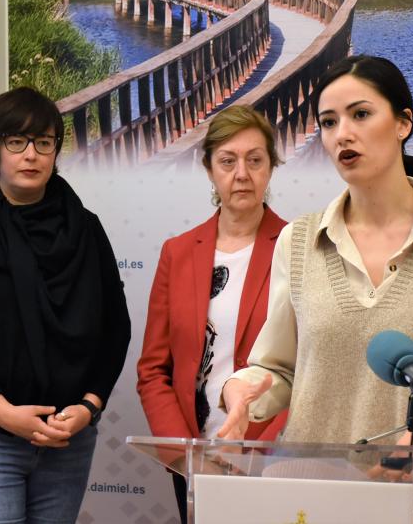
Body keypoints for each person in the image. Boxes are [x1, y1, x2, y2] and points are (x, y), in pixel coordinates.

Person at [219, 55, 413, 451]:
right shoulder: (297, 241)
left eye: (361, 114)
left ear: (403, 123)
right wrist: (241, 390)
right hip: (309, 495)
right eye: (329, 122)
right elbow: (276, 370)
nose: (342, 135)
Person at [0, 87, 131, 524]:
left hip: (64, 439)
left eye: (44, 142)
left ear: (55, 150)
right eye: (16, 141)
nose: (30, 154)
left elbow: (116, 327)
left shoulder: (85, 229)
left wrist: (89, 407)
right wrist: (2, 412)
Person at [137, 104, 289, 524]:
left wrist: (263, 453)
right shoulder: (178, 252)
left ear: (270, 168)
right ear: (209, 170)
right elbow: (153, 370)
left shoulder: (298, 250)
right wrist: (184, 456)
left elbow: (309, 368)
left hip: (269, 460)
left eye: (255, 160)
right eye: (228, 161)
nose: (242, 173)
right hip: (195, 461)